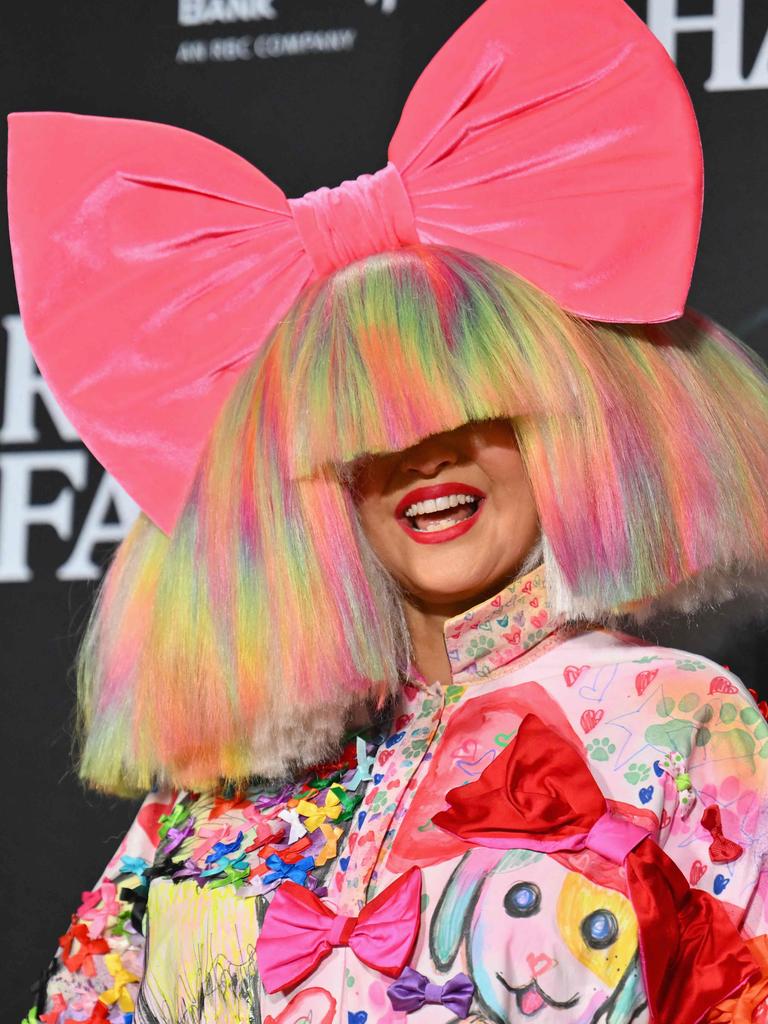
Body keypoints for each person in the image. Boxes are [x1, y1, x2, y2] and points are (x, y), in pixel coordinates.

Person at [8, 2, 768, 1023]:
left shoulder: (674, 720)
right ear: (316, 482)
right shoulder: (225, 788)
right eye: (371, 434)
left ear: (564, 428)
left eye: (470, 412)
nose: (425, 458)